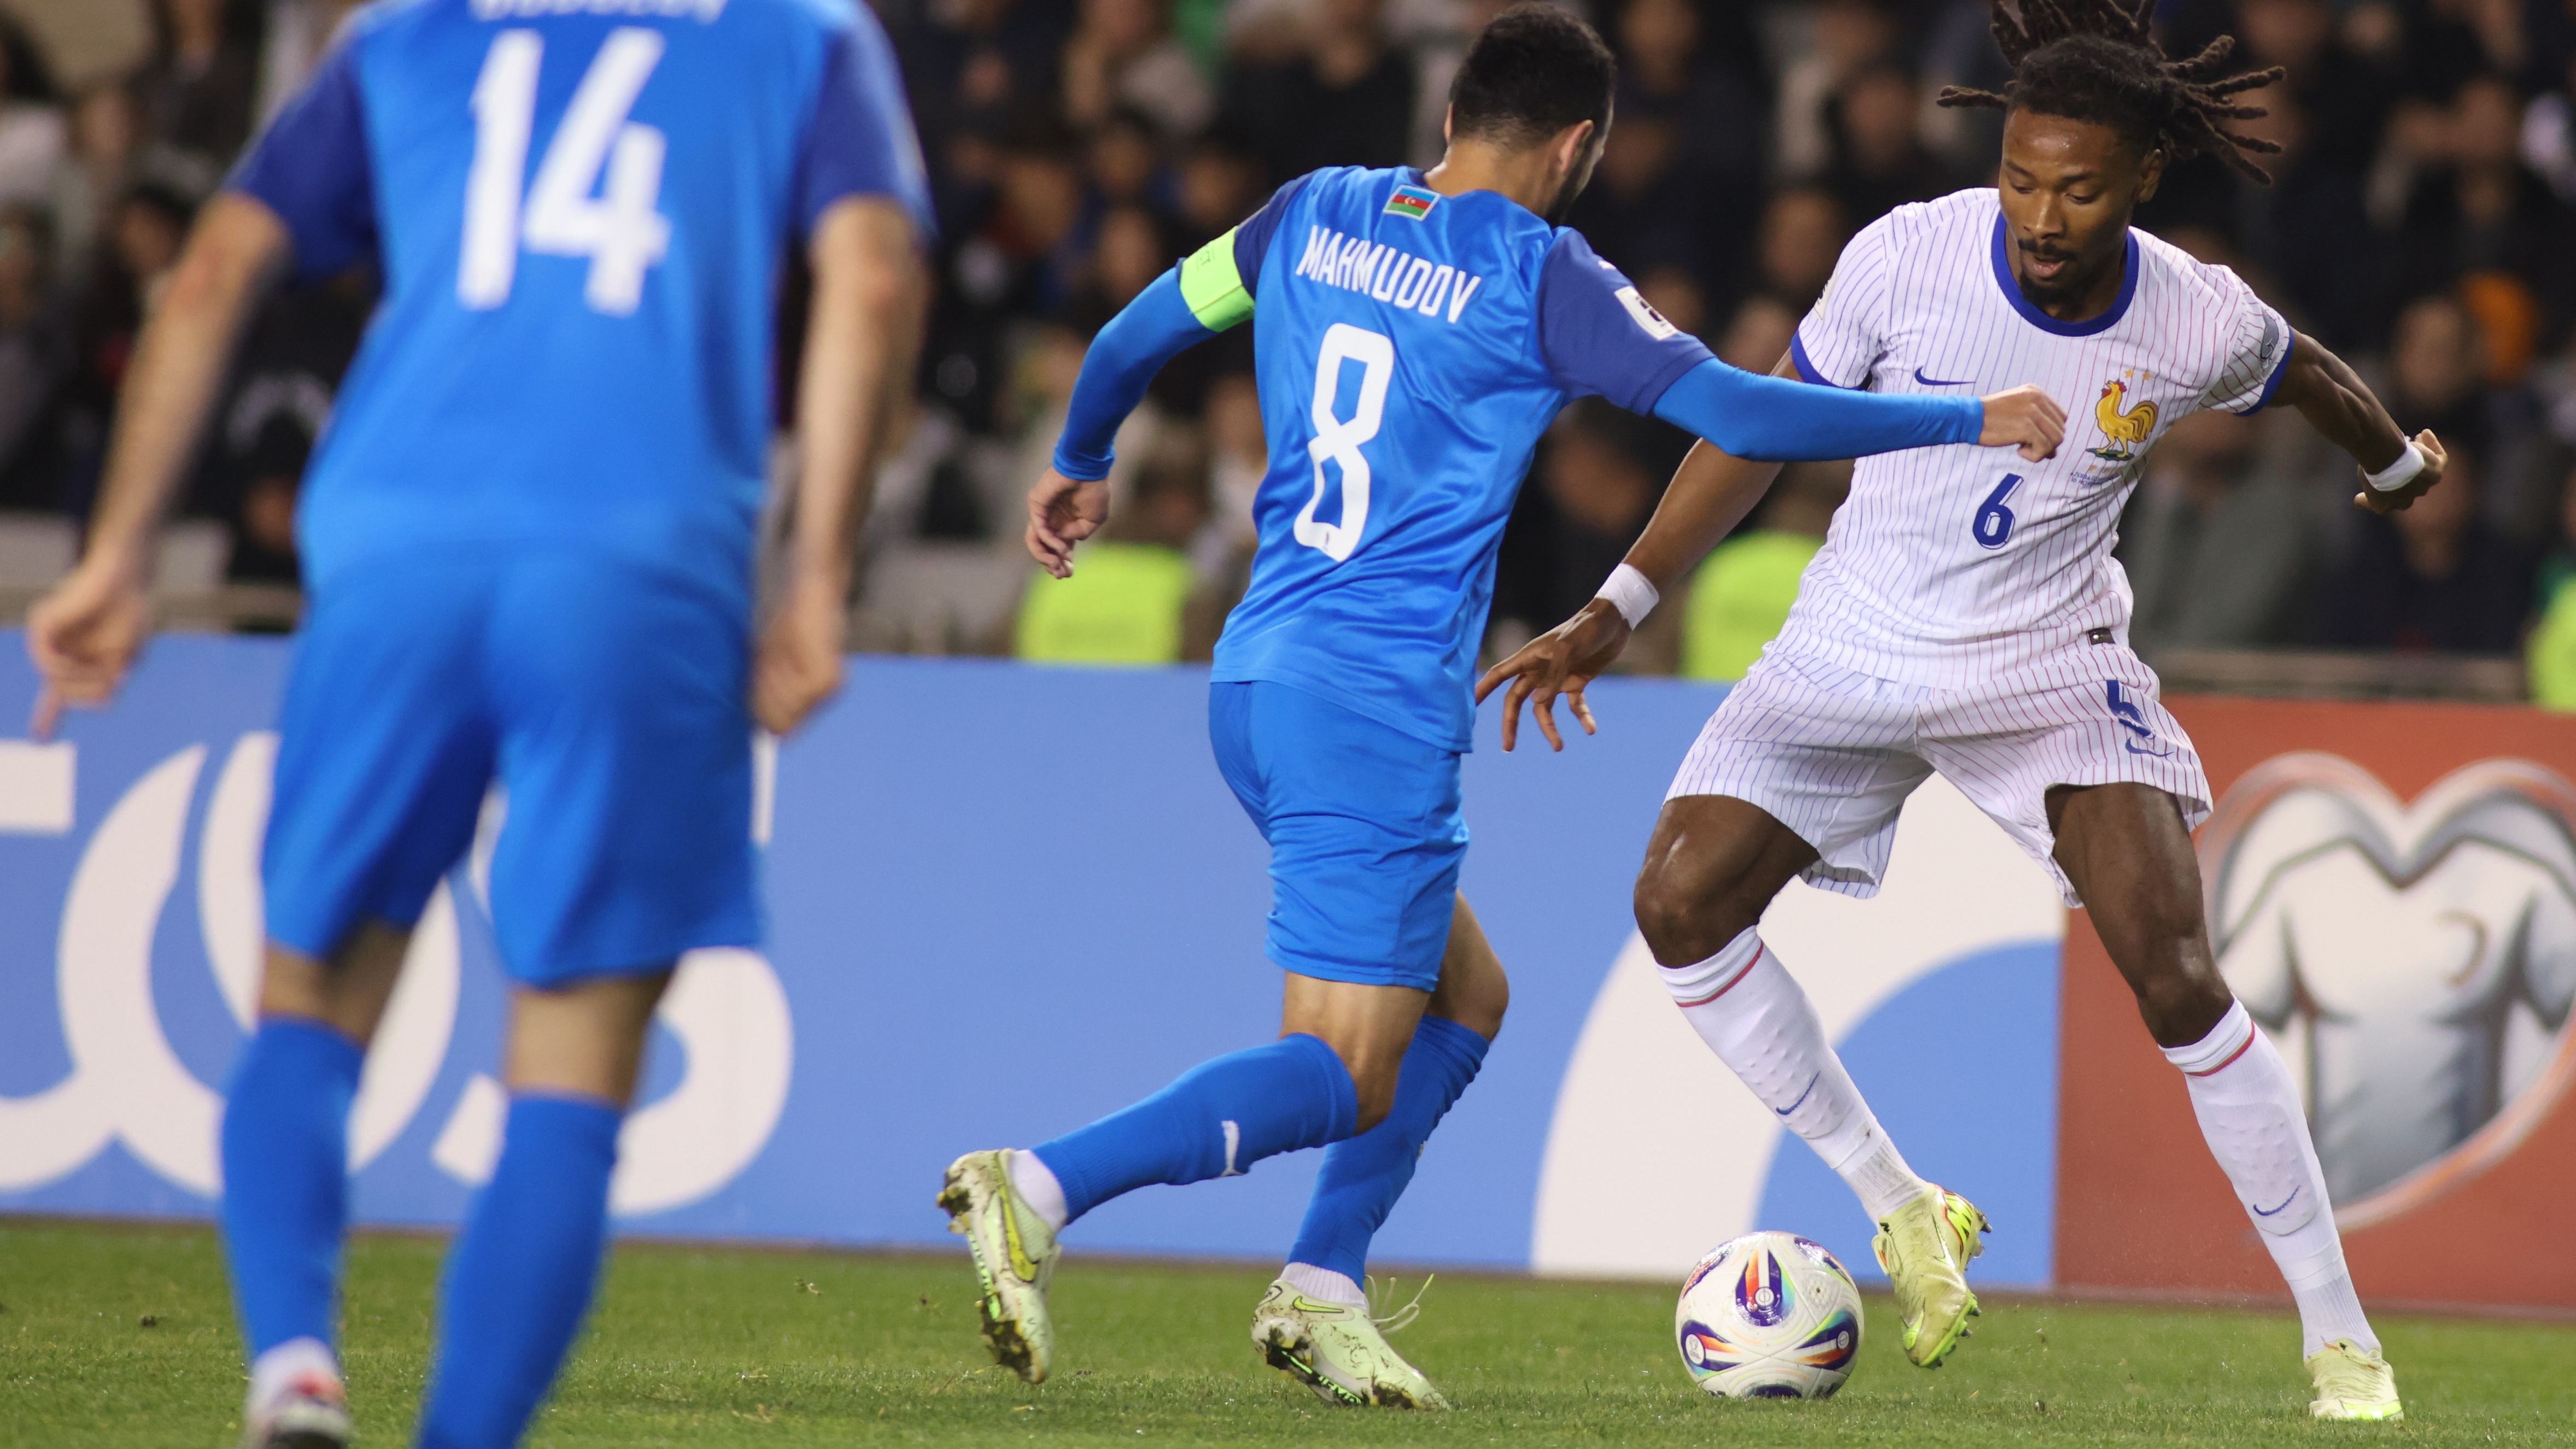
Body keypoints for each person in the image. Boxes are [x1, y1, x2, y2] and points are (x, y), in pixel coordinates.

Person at [938, 3, 2066, 1410]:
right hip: (1373, 710)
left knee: (1466, 1001)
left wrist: (1081, 455)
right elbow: (1744, 412)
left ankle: (1321, 1286)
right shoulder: (1539, 276)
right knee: (1345, 1071)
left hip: (1255, 677)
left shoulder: (1312, 210)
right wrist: (1965, 417)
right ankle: (1038, 1187)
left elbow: (1132, 331)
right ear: (1579, 143)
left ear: (1454, 109)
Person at [1480, 0, 2438, 1424]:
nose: (2045, 213)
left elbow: (2308, 375)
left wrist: (2401, 471)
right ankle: (1903, 1206)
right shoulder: (1904, 254)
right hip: (1853, 643)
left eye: (2082, 187)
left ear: (2144, 182)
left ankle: (2339, 1334)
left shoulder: (2192, 310)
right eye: (2024, 179)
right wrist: (1615, 609)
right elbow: (1750, 431)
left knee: (2176, 971)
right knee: (1680, 906)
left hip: (2047, 670)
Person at [21, 2, 930, 1445]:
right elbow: (871, 281)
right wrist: (818, 576)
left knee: (309, 997)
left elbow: (209, 274)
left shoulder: (409, 30)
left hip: (395, 546)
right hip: (638, 563)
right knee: (572, 1052)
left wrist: (122, 546)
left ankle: (296, 1371)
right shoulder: (806, 35)